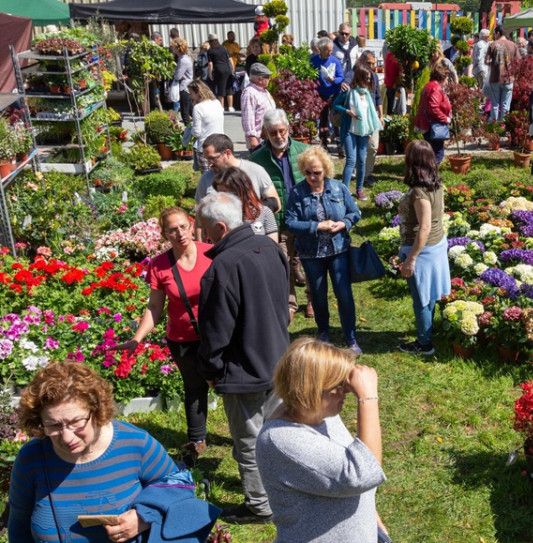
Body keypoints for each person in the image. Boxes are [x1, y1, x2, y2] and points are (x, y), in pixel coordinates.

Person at [196, 191, 290, 525]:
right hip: (278, 357)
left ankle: (260, 505)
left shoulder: (223, 266)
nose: (204, 238)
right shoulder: (270, 248)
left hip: (243, 370)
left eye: (206, 231)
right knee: (278, 431)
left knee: (249, 441)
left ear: (220, 227)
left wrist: (210, 370)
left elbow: (214, 331)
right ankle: (285, 488)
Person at [8, 362, 179, 541]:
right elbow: (19, 527)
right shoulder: (31, 458)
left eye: (76, 422)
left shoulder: (135, 444)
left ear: (96, 410)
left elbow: (178, 488)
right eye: (54, 425)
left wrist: (145, 517)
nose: (67, 437)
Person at [110, 207, 212, 467]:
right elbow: (155, 307)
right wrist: (137, 338)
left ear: (191, 225)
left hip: (216, 335)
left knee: (229, 385)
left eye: (183, 226)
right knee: (194, 387)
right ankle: (196, 440)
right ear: (164, 234)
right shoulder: (159, 265)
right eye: (172, 230)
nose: (180, 233)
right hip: (182, 338)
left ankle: (244, 436)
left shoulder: (212, 253)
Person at [257, 338, 387, 541]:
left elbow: (345, 470)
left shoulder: (321, 415)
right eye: (339, 385)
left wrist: (370, 515)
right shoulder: (282, 439)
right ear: (310, 390)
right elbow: (362, 474)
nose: (346, 391)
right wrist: (368, 399)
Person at [284, 146, 363, 354]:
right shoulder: (297, 192)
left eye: (317, 172)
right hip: (311, 253)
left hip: (338, 250)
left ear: (325, 170)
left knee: (344, 293)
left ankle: (350, 336)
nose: (312, 177)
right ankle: (324, 332)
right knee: (318, 294)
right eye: (308, 172)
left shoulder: (338, 188)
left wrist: (344, 223)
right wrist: (315, 227)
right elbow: (290, 222)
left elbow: (355, 212)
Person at [250, 109, 313, 318]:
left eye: (282, 131)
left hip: (304, 219)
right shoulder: (257, 158)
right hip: (277, 220)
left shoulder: (304, 151)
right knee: (282, 263)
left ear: (288, 128)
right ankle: (289, 303)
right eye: (273, 133)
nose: (279, 136)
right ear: (266, 133)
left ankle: (312, 299)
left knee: (310, 259)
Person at [397, 141, 452, 355]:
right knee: (430, 294)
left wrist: (411, 258)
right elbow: (441, 212)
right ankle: (428, 330)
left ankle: (424, 344)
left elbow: (425, 227)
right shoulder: (436, 185)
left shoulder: (419, 192)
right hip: (437, 245)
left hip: (424, 251)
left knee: (421, 298)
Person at [195, 134, 279, 240]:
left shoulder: (256, 171)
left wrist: (253, 212)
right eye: (207, 159)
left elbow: (276, 204)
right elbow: (199, 218)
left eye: (213, 159)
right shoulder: (205, 178)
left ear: (228, 153)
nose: (209, 164)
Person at [334, 66, 382, 200]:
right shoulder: (349, 91)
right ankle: (344, 190)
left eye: (369, 78)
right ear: (359, 77)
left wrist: (371, 129)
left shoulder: (367, 94)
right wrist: (347, 111)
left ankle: (359, 190)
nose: (368, 80)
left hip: (364, 132)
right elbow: (335, 104)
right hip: (350, 130)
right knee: (351, 160)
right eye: (366, 77)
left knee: (361, 161)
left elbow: (370, 114)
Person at [214, 166, 279, 243]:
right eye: (220, 193)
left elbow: (272, 246)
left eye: (227, 193)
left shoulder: (264, 212)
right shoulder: (217, 216)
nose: (222, 197)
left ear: (241, 190)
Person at [413, 66, 452, 165]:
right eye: (447, 79)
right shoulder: (436, 88)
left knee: (431, 152)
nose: (447, 81)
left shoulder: (429, 86)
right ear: (442, 78)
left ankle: (429, 175)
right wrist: (445, 119)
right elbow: (433, 108)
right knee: (438, 153)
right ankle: (432, 176)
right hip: (433, 125)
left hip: (428, 124)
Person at [355, 50, 383, 186]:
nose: (371, 66)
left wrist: (381, 115)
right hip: (359, 116)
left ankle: (367, 174)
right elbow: (346, 83)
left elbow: (378, 96)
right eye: (369, 63)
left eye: (373, 63)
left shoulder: (374, 76)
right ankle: (360, 173)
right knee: (361, 147)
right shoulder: (354, 73)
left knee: (373, 146)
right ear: (361, 61)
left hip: (373, 117)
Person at [311, 38, 344, 148]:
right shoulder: (314, 60)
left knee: (336, 119)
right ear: (319, 49)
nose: (330, 53)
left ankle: (340, 144)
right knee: (323, 119)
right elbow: (309, 75)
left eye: (331, 50)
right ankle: (324, 143)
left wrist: (334, 80)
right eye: (327, 50)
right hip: (320, 94)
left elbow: (341, 77)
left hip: (333, 93)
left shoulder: (334, 61)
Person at [188, 80, 225, 173]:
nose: (190, 96)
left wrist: (189, 130)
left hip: (205, 148)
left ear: (198, 93)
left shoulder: (198, 108)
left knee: (208, 178)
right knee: (221, 176)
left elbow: (197, 132)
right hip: (220, 145)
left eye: (191, 93)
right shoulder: (217, 102)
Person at [485, 25, 521, 122]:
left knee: (495, 104)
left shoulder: (493, 45)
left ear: (497, 33)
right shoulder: (513, 45)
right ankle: (503, 125)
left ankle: (494, 124)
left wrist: (493, 65)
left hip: (495, 77)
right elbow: (518, 62)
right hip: (509, 78)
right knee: (505, 104)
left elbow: (486, 61)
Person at [241, 63, 276, 152]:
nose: (270, 79)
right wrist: (252, 139)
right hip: (259, 142)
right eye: (268, 77)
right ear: (260, 79)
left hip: (270, 138)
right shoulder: (249, 93)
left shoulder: (264, 91)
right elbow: (248, 118)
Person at [206, 33, 235, 111]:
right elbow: (230, 60)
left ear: (210, 42)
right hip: (227, 69)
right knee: (229, 88)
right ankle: (230, 107)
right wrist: (232, 70)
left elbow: (210, 64)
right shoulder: (224, 48)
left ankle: (221, 107)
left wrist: (210, 73)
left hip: (219, 70)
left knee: (221, 89)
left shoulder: (210, 51)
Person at [170, 38, 193, 125]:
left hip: (185, 87)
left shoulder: (183, 60)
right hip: (187, 86)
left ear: (177, 48)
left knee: (185, 113)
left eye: (173, 47)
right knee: (191, 110)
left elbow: (177, 76)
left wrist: (177, 74)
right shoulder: (185, 57)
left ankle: (188, 133)